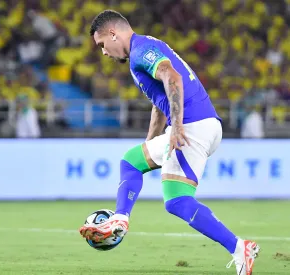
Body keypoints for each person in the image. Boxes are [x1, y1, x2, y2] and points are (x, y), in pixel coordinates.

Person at [78, 10, 260, 275]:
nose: (104, 53)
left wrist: (176, 127)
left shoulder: (141, 52)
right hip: (202, 124)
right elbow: (160, 103)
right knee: (132, 161)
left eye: (102, 45)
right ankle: (121, 218)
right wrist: (151, 144)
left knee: (177, 202)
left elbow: (172, 78)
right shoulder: (145, 47)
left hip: (191, 126)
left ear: (113, 34)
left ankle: (238, 248)